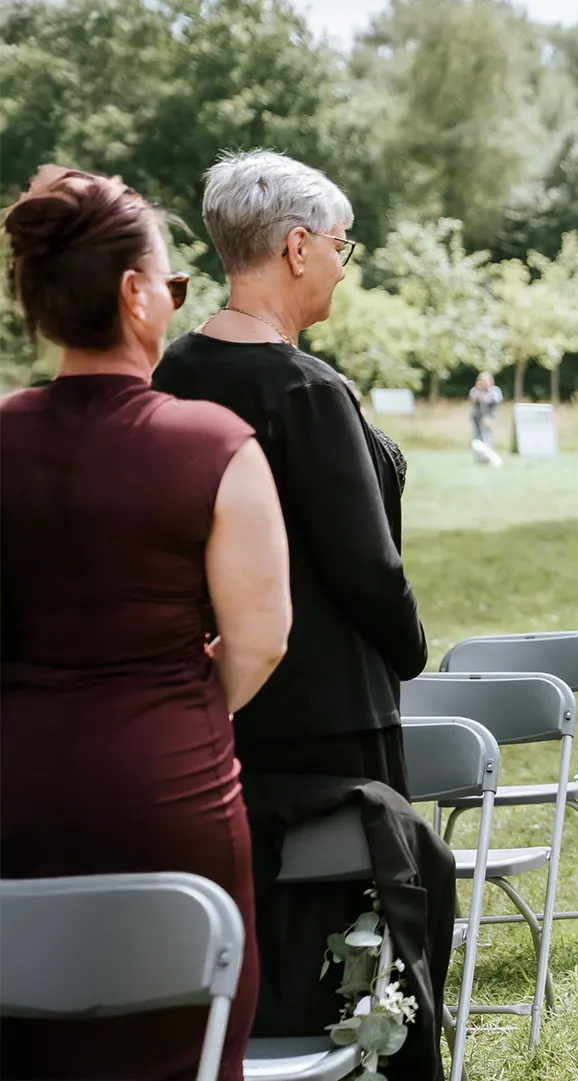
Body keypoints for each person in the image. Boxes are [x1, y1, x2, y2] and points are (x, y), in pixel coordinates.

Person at [151, 150, 448, 1075]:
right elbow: (367, 567)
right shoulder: (305, 392)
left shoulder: (170, 374)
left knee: (243, 932)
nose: (341, 263)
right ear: (295, 246)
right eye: (340, 244)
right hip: (330, 717)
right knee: (347, 950)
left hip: (213, 708)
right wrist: (410, 649)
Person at [0, 165, 291, 1080]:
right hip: (168, 797)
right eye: (172, 283)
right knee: (183, 1053)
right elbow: (260, 638)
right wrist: (178, 703)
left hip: (14, 792)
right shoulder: (213, 444)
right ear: (134, 296)